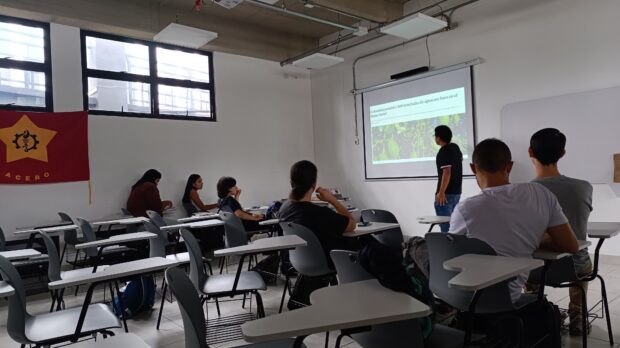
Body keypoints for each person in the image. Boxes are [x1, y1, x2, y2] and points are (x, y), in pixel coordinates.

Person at [448, 138, 579, 303]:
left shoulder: (465, 209)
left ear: (473, 168)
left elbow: (450, 257)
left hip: (466, 296)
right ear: (509, 166)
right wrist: (535, 238)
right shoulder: (540, 193)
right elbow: (571, 246)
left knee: (416, 246)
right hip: (511, 296)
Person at [529, 128, 593, 335]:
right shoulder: (583, 187)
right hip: (574, 266)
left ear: (530, 152)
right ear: (563, 153)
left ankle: (535, 311)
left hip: (536, 268)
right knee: (582, 263)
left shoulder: (524, 192)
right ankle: (578, 319)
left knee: (526, 271)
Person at [278, 160, 357, 268]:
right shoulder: (320, 213)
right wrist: (332, 200)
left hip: (298, 262)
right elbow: (352, 224)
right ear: (314, 185)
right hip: (329, 261)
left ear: (291, 183)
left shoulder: (284, 208)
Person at [434, 125, 463, 232]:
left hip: (446, 194)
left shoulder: (443, 151)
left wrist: (441, 192)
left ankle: (447, 248)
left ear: (438, 137)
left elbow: (447, 171)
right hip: (456, 192)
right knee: (454, 225)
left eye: (435, 136)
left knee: (446, 228)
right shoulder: (455, 148)